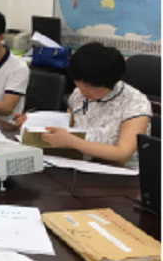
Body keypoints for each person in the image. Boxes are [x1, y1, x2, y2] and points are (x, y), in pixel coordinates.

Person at [15, 43, 152, 170]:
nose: (82, 92)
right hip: (80, 163)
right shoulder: (78, 94)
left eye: (89, 87)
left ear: (112, 82)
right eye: (78, 84)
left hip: (119, 173)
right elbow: (67, 126)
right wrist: (33, 124)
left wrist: (71, 141)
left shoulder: (135, 103)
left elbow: (122, 154)